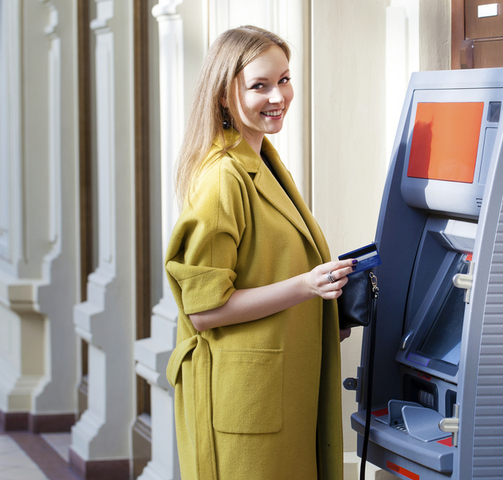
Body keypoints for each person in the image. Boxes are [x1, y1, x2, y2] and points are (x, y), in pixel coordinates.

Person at [164, 26, 352, 480]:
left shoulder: (262, 160)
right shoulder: (222, 179)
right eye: (260, 85)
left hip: (279, 392)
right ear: (225, 96)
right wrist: (307, 286)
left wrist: (331, 300)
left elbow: (270, 264)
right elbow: (205, 310)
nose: (278, 96)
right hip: (243, 402)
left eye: (284, 79)